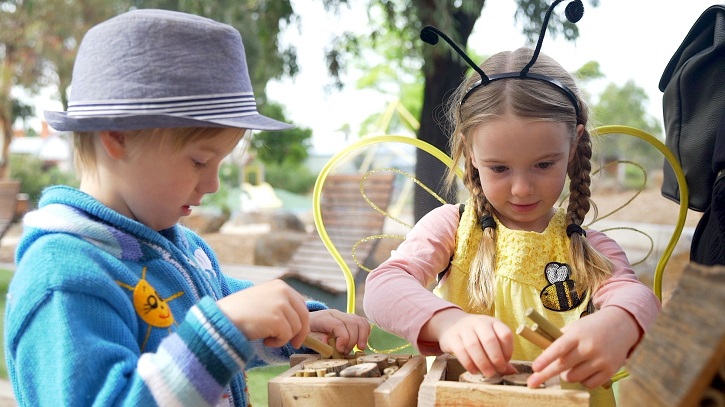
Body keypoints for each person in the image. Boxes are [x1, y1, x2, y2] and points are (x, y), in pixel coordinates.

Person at [4, 9, 370, 407]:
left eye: (220, 164)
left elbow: (226, 310)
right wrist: (221, 329)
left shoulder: (180, 250)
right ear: (118, 137)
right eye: (199, 161)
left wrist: (300, 322)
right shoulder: (64, 277)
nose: (212, 184)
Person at [364, 21, 661, 407]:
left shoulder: (591, 250)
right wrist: (450, 323)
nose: (522, 188)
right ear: (471, 155)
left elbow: (640, 301)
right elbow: (384, 287)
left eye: (543, 165)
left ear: (571, 150)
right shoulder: (452, 230)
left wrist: (619, 322)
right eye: (499, 169)